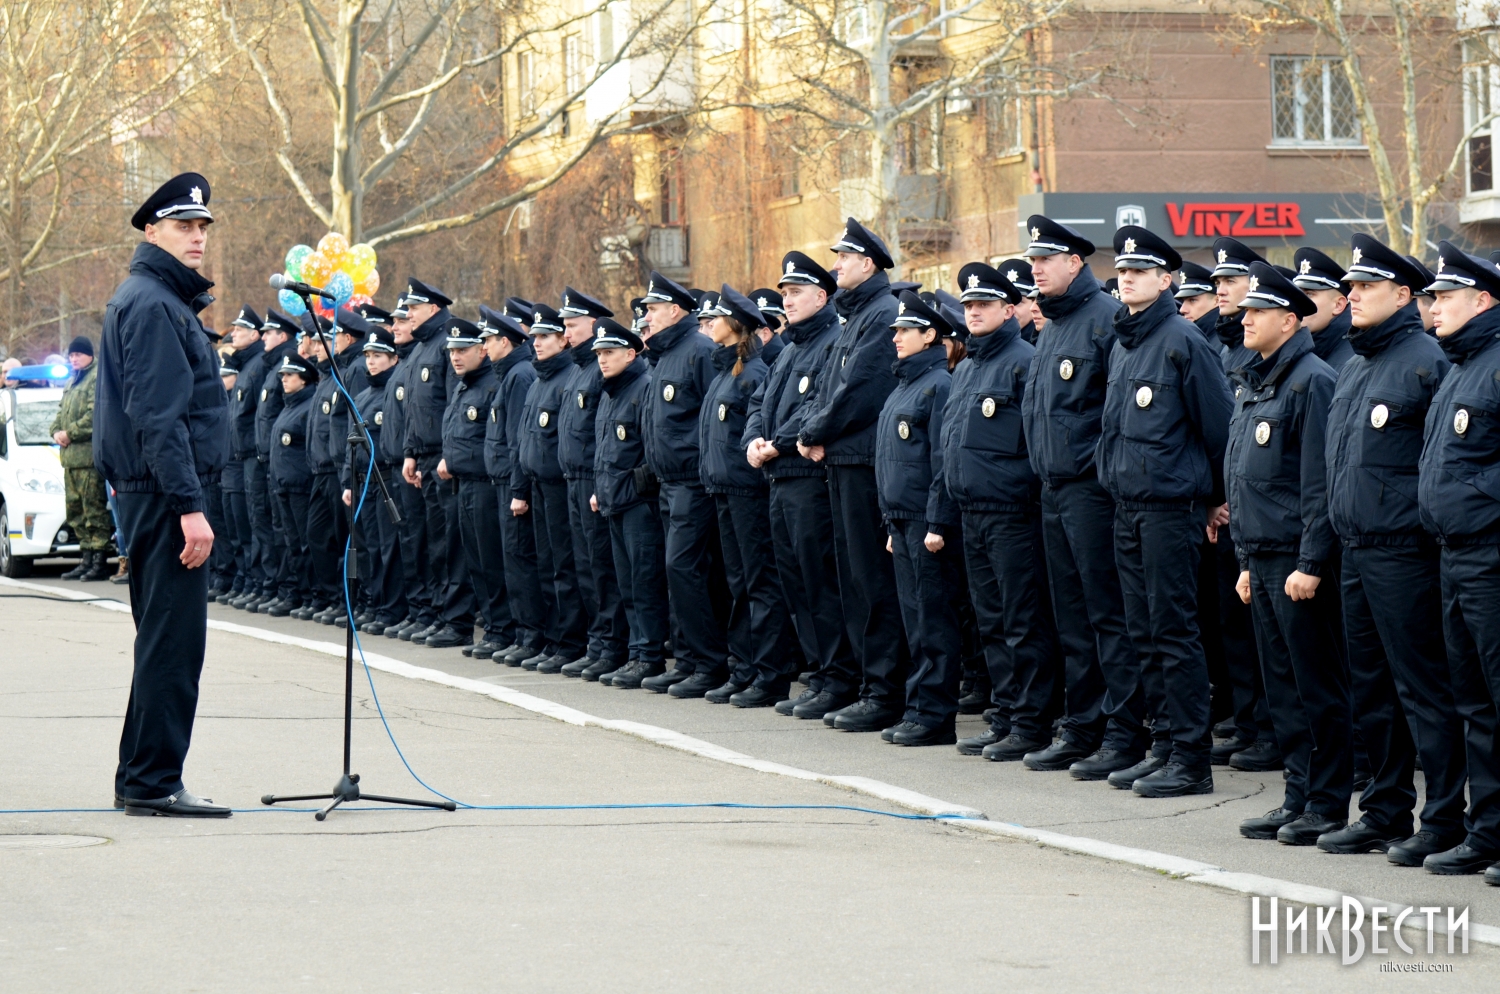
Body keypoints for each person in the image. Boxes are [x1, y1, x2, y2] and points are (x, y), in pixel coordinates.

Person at [1317, 237, 1464, 861]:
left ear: (1404, 295)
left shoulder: (1426, 361)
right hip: (1355, 548)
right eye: (1349, 288)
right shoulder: (1355, 365)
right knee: (1370, 689)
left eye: (1364, 288)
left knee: (1421, 689)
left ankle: (1445, 819)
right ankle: (1383, 811)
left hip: (1406, 552)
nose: (1351, 296)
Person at [94, 172, 230, 817]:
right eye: (183, 226)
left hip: (152, 493)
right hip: (163, 495)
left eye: (202, 227)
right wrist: (189, 507)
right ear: (153, 231)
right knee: (174, 644)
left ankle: (140, 777)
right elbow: (158, 416)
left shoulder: (155, 298)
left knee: (163, 640)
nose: (197, 237)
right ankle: (152, 781)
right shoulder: (152, 303)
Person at [1096, 224, 1234, 797]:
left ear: (1166, 280)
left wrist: (1214, 500)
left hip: (1171, 507)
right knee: (1142, 630)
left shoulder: (1182, 339)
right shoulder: (1127, 341)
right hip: (1128, 505)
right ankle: (1163, 745)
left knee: (1174, 631)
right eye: (1123, 272)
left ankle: (1191, 759)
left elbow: (1219, 427)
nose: (1127, 278)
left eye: (1140, 272)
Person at [1222, 262, 1348, 845]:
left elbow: (1321, 483)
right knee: (1283, 688)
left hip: (1298, 563)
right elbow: (1246, 478)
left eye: (1257, 311)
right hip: (1264, 558)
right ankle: (1298, 796)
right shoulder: (1259, 379)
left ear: (1290, 320)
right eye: (1245, 310)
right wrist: (1246, 560)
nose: (1244, 319)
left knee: (1315, 685)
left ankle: (1326, 803)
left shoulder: (1312, 381)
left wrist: (1312, 561)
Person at [1017, 215, 1142, 777]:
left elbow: (1113, 417)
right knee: (1071, 618)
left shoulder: (1103, 320)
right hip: (1053, 487)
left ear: (1076, 262)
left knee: (1106, 615)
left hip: (1092, 490)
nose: (1035, 268)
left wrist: (1096, 472)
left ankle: (1123, 732)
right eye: (1033, 260)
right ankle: (1084, 725)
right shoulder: (1054, 324)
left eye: (1046, 260)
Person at [941, 261, 1062, 762]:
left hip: (1013, 511)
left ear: (1009, 309)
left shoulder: (1023, 360)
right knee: (992, 620)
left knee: (1022, 619)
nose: (973, 312)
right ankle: (1006, 714)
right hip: (973, 509)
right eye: (967, 305)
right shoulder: (968, 365)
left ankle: (1032, 721)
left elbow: (1035, 440)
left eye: (984, 305)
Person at [796, 219, 909, 732]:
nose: (835, 265)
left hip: (863, 462)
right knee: (853, 580)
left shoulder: (882, 314)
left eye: (843, 257)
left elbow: (860, 389)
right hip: (843, 460)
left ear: (868, 264)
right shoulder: (857, 316)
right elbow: (826, 387)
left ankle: (885, 691)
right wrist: (813, 430)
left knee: (872, 581)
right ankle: (869, 684)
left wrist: (815, 430)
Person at [1416, 243, 1500, 880]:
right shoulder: (1460, 366)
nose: (1432, 306)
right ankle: (1487, 831)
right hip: (1454, 554)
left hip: (1490, 555)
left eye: (1444, 296)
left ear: (1484, 300)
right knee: (1472, 703)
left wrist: (1472, 501)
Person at [745, 253, 856, 719]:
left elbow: (818, 405)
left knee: (820, 581)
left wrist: (777, 443)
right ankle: (818, 672)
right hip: (779, 478)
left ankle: (839, 676)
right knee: (796, 584)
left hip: (808, 478)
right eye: (785, 294)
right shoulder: (789, 348)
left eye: (796, 293)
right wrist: (753, 437)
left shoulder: (832, 340)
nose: (787, 301)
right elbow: (759, 399)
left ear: (822, 296)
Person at [870, 290, 962, 745]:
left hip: (926, 524)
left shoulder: (939, 386)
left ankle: (935, 714)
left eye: (906, 331)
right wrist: (891, 523)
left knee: (933, 618)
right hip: (902, 521)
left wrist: (936, 523)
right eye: (895, 331)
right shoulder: (904, 386)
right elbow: (892, 461)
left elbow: (941, 463)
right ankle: (917, 706)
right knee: (914, 619)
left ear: (930, 335)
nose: (896, 338)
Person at [700, 285, 795, 706]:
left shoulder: (753, 372)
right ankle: (743, 667)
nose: (709, 325)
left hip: (748, 491)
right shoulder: (726, 370)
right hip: (725, 488)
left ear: (735, 326)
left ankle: (769, 674)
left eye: (716, 319)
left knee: (760, 583)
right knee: (739, 582)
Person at [639, 270, 730, 697]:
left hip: (693, 482)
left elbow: (715, 417)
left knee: (687, 568)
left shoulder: (699, 351)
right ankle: (690, 660)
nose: (648, 317)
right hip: (668, 482)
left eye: (653, 309)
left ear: (675, 311)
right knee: (677, 572)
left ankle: (709, 664)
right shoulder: (665, 355)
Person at [556, 288, 630, 680]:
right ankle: (598, 643)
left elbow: (604, 437)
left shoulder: (600, 370)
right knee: (585, 567)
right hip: (575, 479)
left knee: (602, 568)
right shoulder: (579, 369)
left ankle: (611, 645)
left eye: (572, 326)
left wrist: (598, 482)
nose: (566, 333)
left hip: (593, 480)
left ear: (594, 324)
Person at [591, 320, 670, 687]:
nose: (602, 360)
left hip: (639, 504)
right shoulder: (611, 393)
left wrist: (637, 489)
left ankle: (649, 655)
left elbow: (652, 450)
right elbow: (607, 452)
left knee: (645, 582)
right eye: (599, 354)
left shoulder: (644, 388)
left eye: (609, 353)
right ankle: (637, 652)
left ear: (631, 352)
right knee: (627, 583)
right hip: (615, 501)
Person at [401, 279, 473, 646]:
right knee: (433, 541)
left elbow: (453, 407)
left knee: (449, 541)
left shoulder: (447, 343)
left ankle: (457, 620)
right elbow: (417, 411)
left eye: (413, 309)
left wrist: (446, 454)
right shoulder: (421, 348)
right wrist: (411, 452)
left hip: (444, 458)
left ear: (432, 308)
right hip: (425, 457)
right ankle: (439, 612)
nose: (408, 315)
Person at [518, 301, 589, 671]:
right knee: (547, 565)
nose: (537, 343)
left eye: (545, 336)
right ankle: (555, 638)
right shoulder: (540, 380)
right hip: (540, 485)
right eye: (534, 337)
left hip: (563, 485)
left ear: (563, 340)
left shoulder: (566, 378)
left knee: (566, 565)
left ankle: (571, 640)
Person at [478, 306, 543, 664]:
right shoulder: (510, 373)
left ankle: (530, 636)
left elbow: (519, 439)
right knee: (511, 560)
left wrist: (519, 490)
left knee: (520, 560)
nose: (484, 346)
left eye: (489, 340)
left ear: (505, 341)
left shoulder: (519, 375)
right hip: (503, 481)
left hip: (513, 483)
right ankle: (523, 633)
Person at [433, 317, 500, 652]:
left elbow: (491, 443)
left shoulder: (491, 385)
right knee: (473, 561)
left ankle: (500, 629)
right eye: (452, 351)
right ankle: (491, 628)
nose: (455, 357)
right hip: (463, 484)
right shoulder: (463, 385)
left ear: (482, 350)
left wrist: (457, 462)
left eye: (463, 350)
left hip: (484, 485)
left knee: (490, 561)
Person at [342, 323, 408, 636]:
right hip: (362, 477)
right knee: (368, 545)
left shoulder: (395, 388)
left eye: (379, 355)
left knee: (388, 546)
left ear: (394, 359)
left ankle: (391, 608)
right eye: (368, 354)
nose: (371, 361)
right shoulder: (365, 394)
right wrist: (347, 481)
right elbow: (351, 440)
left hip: (383, 476)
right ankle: (376, 603)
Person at [245, 311, 302, 614]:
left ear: (282, 336)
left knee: (280, 529)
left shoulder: (286, 366)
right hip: (266, 458)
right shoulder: (272, 369)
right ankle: (274, 586)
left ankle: (286, 588)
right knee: (268, 525)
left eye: (268, 333)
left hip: (279, 459)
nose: (263, 336)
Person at [52, 335, 112, 581]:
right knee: (76, 512)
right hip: (70, 460)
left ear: (89, 355)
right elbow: (60, 412)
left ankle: (99, 560)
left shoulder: (96, 378)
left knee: (93, 511)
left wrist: (70, 433)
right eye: (71, 355)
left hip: (87, 458)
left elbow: (94, 415)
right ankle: (85, 558)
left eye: (78, 354)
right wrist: (55, 431)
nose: (73, 359)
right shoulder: (71, 382)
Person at [219, 307, 264, 603]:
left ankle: (256, 582)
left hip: (249, 456)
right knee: (236, 524)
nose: (233, 333)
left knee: (252, 526)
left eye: (240, 329)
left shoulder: (257, 365)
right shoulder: (246, 364)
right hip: (235, 456)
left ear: (255, 334)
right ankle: (245, 580)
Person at [269, 354, 319, 619]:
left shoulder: (307, 405)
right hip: (284, 484)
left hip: (300, 484)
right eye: (283, 376)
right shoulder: (290, 405)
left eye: (289, 375)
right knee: (290, 542)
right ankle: (297, 593)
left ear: (304, 379)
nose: (284, 379)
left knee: (304, 543)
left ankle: (311, 594)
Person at [1176, 261, 1219, 336]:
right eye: (1183, 301)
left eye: (1192, 300)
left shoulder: (1224, 340)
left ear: (1217, 300)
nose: (1182, 309)